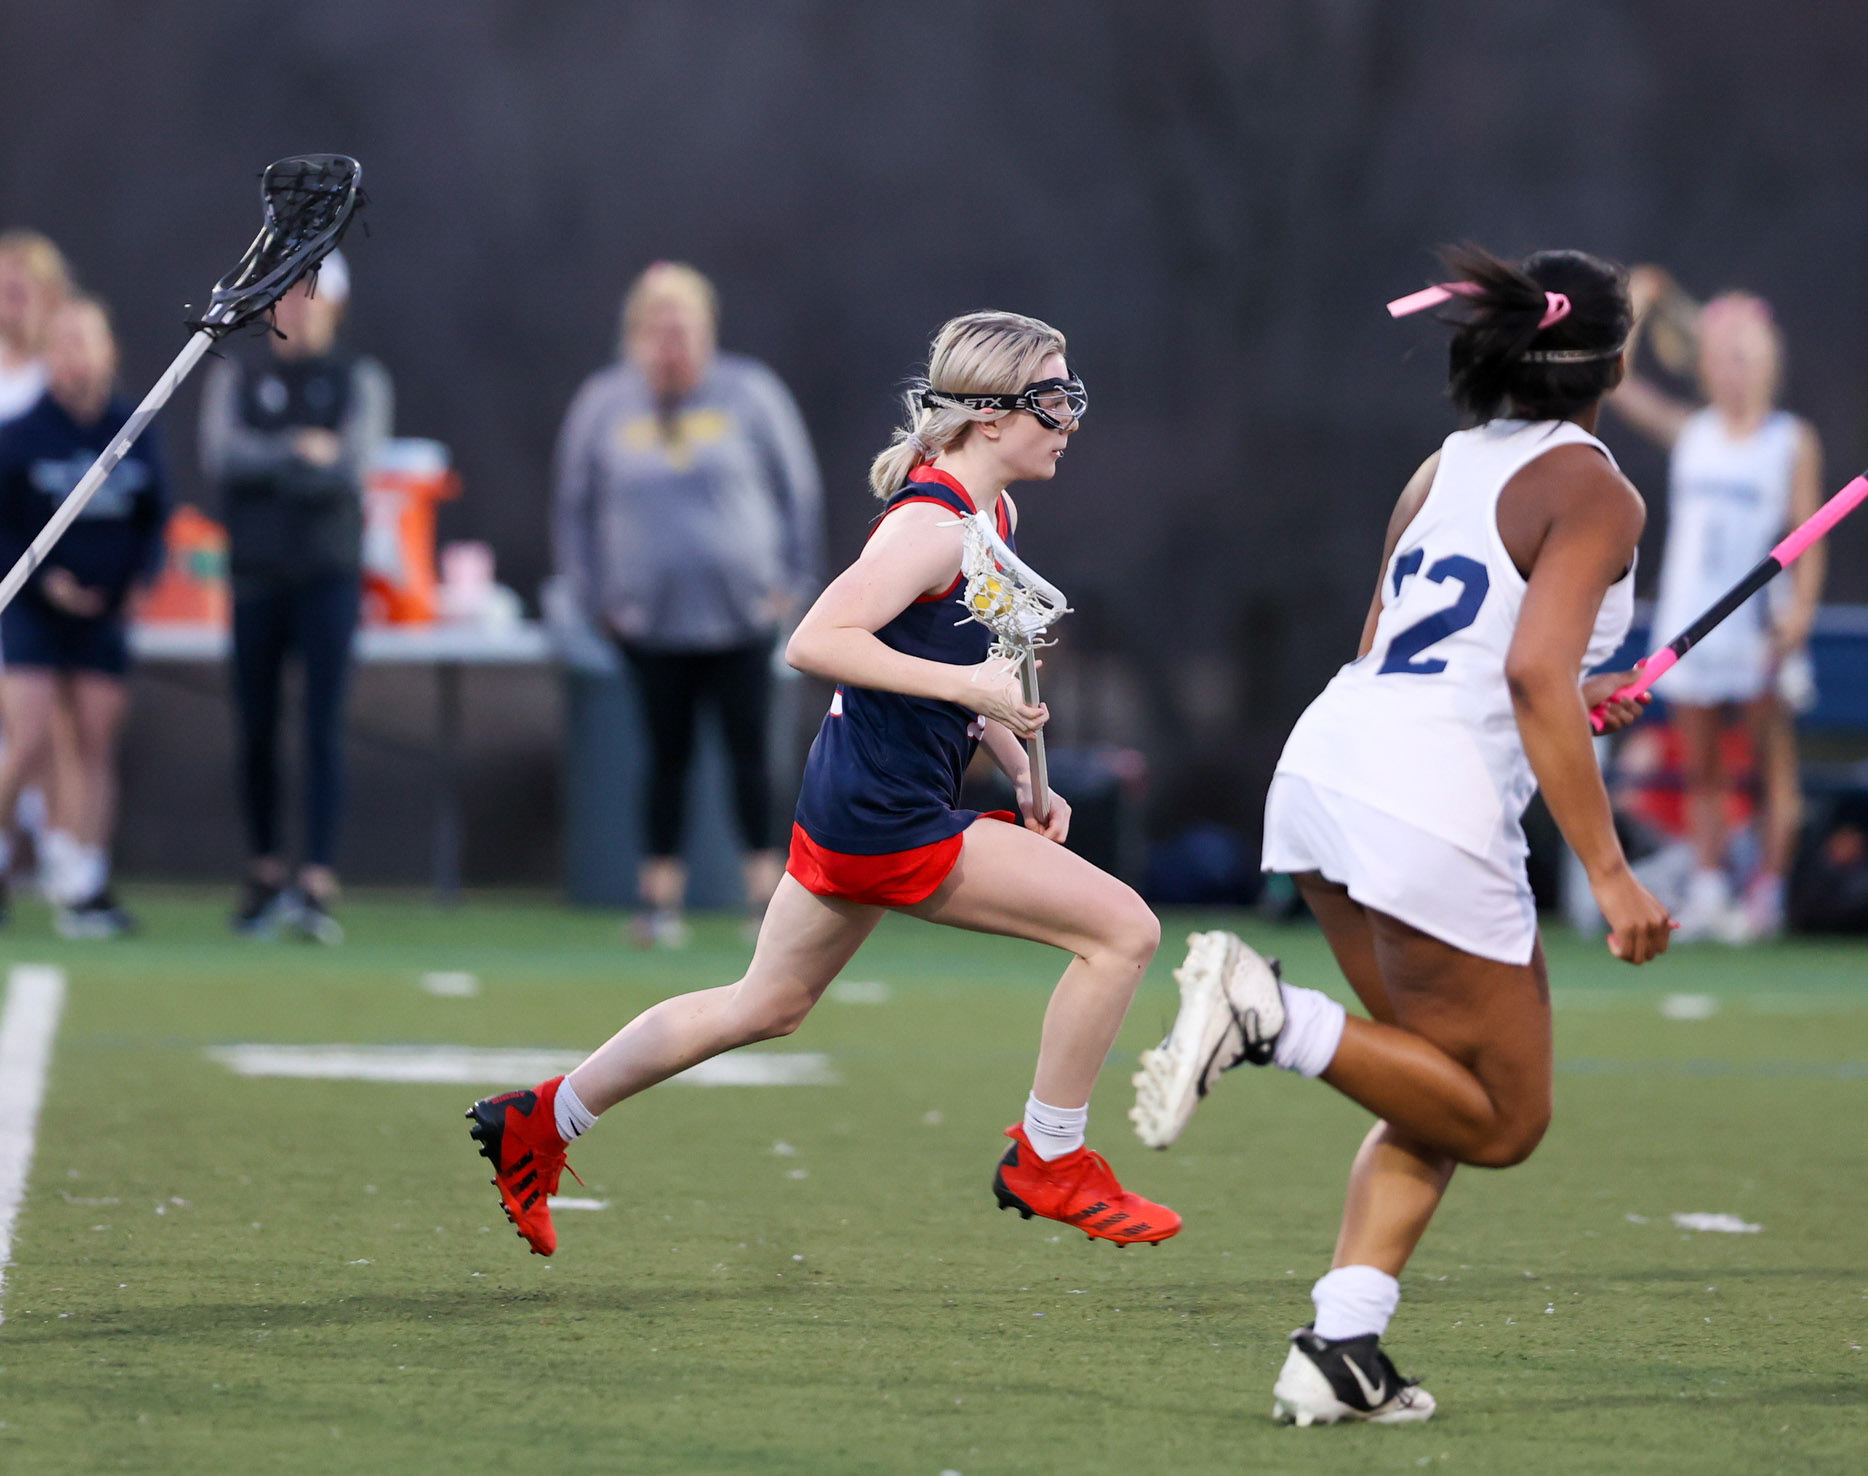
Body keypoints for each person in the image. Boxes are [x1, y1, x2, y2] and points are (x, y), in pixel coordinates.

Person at [473, 310, 1177, 1259]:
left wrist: (1016, 764)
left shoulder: (991, 513)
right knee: (1125, 931)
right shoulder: (932, 529)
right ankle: (1048, 1158)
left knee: (763, 1005)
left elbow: (976, 663)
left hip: (856, 795)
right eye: (1052, 398)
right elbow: (816, 641)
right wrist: (968, 690)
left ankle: (544, 1119)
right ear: (988, 415)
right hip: (887, 812)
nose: (1070, 417)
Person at [1133, 248, 1674, 1425]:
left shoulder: (1442, 467)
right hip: (1429, 807)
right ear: (1615, 366)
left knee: (1432, 1085)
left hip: (1331, 764)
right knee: (1507, 1118)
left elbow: (1413, 641)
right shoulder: (1597, 492)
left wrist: (1577, 698)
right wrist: (1610, 872)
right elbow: (1530, 672)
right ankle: (1270, 1016)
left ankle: (1340, 1350)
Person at [552, 262, 823, 946]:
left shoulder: (749, 393)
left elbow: (798, 493)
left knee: (749, 754)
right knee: (663, 756)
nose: (672, 343)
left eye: (684, 328)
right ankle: (657, 902)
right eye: (658, 328)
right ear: (635, 334)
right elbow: (574, 507)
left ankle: (765, 903)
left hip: (741, 614)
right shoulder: (604, 403)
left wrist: (791, 584)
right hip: (648, 620)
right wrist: (595, 599)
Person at [1607, 268, 1824, 941]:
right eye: (1725, 358)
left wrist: (1801, 613)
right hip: (1692, 618)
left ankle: (1767, 893)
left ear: (1768, 364)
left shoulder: (1790, 441)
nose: (1735, 371)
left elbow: (1808, 535)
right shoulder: (1691, 430)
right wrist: (1637, 303)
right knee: (1700, 767)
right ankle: (1706, 890)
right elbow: (1615, 382)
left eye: (1747, 358)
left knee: (1769, 766)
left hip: (1758, 624)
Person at [198, 251, 391, 943]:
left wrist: (282, 461)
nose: (297, 311)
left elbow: (349, 467)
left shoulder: (357, 379)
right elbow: (225, 458)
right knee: (254, 728)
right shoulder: (242, 376)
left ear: (335, 305)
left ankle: (316, 880)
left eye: (311, 298)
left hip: (326, 578)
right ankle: (264, 872)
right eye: (287, 298)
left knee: (322, 726)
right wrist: (296, 452)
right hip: (255, 577)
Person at [0, 294, 168, 935]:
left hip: (103, 610)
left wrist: (136, 581)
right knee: (32, 735)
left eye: (85, 342)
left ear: (109, 351)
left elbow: (155, 517)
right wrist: (49, 584)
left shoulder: (132, 429)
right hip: (36, 609)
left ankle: (82, 880)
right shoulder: (21, 435)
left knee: (93, 740)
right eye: (61, 343)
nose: (74, 357)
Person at [0, 230, 90, 905]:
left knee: (53, 721)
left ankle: (65, 859)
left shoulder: (55, 373)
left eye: (21, 290)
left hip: (51, 562)